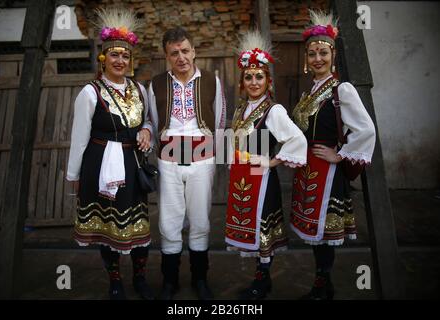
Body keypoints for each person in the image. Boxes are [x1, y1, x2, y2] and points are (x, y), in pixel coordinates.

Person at [66, 8, 154, 300]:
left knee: (139, 225)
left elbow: (148, 121)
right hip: (101, 166)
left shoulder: (139, 89)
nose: (120, 61)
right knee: (108, 227)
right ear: (104, 58)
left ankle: (140, 279)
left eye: (125, 56)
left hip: (133, 165)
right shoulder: (90, 93)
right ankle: (115, 281)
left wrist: (147, 132)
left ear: (131, 60)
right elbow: (79, 138)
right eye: (114, 55)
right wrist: (74, 176)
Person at [290, 10, 376, 300]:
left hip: (327, 172)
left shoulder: (343, 90)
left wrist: (340, 155)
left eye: (323, 53)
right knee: (316, 232)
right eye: (312, 54)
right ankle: (322, 284)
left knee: (325, 233)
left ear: (333, 54)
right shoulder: (309, 93)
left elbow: (366, 129)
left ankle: (322, 286)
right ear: (306, 59)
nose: (317, 59)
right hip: (307, 170)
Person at [225, 30, 307, 300]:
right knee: (250, 229)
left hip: (262, 181)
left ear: (268, 81)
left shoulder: (274, 111)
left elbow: (296, 140)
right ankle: (261, 279)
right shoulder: (240, 110)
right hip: (243, 179)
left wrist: (271, 162)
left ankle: (262, 282)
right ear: (242, 82)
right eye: (248, 77)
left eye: (259, 76)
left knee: (262, 233)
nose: (253, 81)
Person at [148, 26, 226, 300]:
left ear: (194, 51)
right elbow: (154, 121)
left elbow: (219, 121)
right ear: (167, 56)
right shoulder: (155, 84)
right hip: (169, 161)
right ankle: (169, 282)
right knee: (169, 222)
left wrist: (214, 160)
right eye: (174, 53)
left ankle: (200, 279)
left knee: (200, 221)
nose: (181, 57)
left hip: (202, 160)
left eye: (185, 51)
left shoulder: (211, 81)